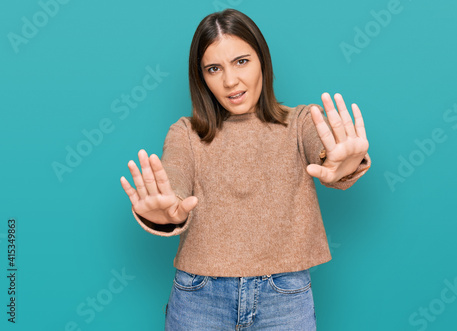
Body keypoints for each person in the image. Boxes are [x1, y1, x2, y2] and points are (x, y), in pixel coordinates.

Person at [120, 8, 371, 330]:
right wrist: (167, 210)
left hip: (284, 295)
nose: (230, 81)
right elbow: (175, 179)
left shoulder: (301, 121)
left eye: (242, 61)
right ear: (202, 78)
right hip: (199, 295)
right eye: (213, 69)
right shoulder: (186, 133)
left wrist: (341, 163)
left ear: (262, 61)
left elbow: (324, 150)